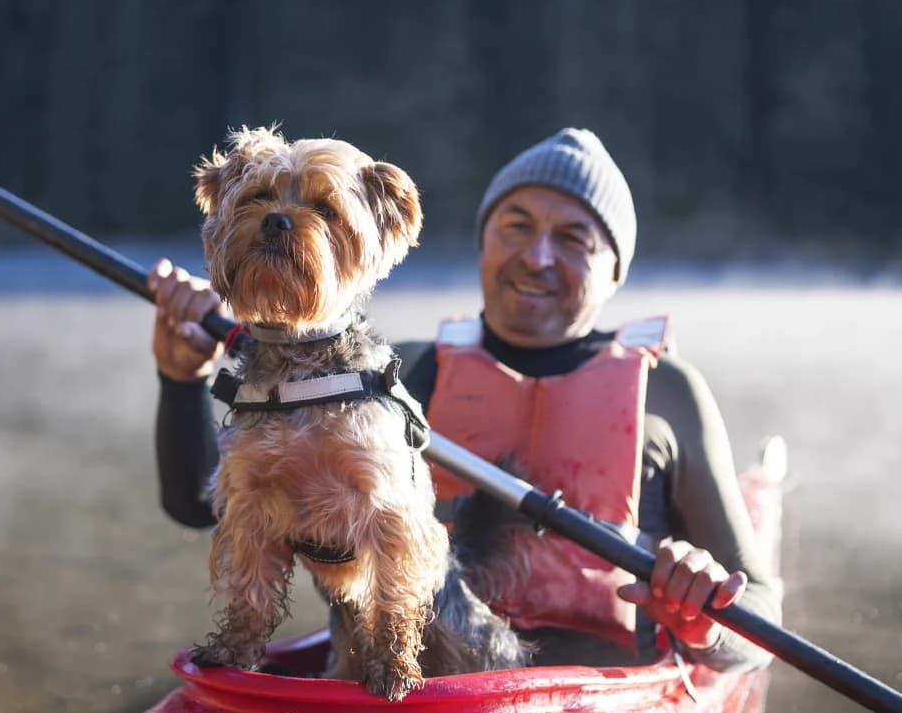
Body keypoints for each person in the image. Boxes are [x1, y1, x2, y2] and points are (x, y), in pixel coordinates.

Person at [149, 128, 781, 671]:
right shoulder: (397, 375)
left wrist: (707, 620)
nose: (536, 256)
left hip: (597, 711)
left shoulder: (667, 390)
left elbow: (761, 623)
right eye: (516, 226)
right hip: (392, 697)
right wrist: (181, 381)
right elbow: (203, 506)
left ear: (616, 270)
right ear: (482, 242)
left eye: (574, 239)